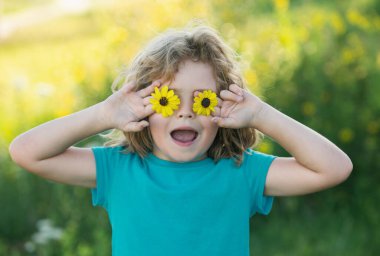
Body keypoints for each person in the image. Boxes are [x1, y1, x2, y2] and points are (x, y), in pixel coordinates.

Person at [8, 24, 353, 256]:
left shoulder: (240, 171)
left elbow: (334, 168)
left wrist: (261, 114)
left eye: (203, 99)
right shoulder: (118, 169)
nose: (185, 113)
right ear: (143, 107)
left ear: (222, 108)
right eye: (167, 99)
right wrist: (101, 114)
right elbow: (25, 152)